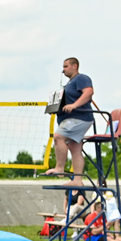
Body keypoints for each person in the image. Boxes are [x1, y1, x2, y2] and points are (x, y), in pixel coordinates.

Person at [43, 57, 94, 186]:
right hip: (73, 118)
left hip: (79, 118)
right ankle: (77, 180)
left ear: (74, 66)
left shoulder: (81, 78)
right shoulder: (69, 84)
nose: (63, 70)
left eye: (66, 66)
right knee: (74, 147)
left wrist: (74, 105)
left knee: (58, 137)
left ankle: (59, 168)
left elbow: (88, 92)